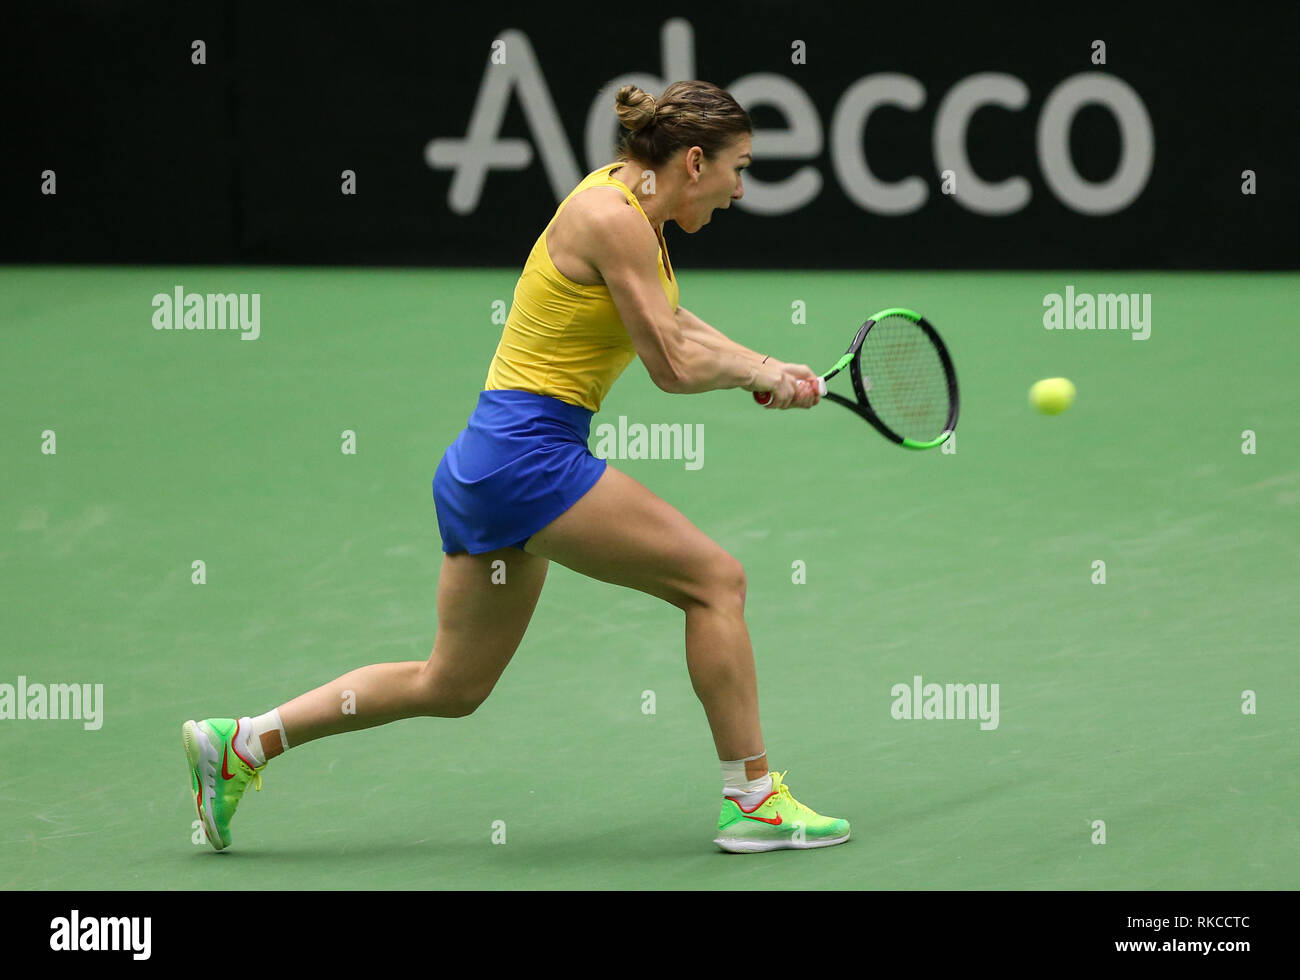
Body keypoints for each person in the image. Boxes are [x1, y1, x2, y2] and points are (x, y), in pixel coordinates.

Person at [184, 80, 849, 855]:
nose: (740, 190)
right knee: (716, 582)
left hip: (487, 464)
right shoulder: (613, 218)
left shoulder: (628, 204)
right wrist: (755, 376)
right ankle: (755, 800)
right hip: (529, 458)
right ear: (694, 161)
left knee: (452, 684)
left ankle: (241, 744)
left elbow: (675, 324)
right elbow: (668, 364)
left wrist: (768, 366)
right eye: (739, 168)